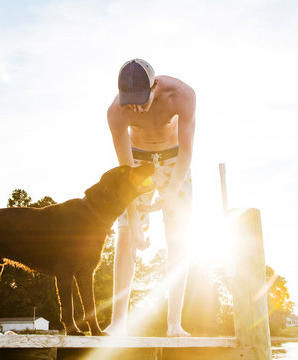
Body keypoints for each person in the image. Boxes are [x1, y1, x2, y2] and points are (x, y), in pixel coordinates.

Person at [105, 59, 196, 337]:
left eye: (141, 101)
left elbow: (187, 150)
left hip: (174, 160)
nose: (136, 109)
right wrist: (133, 219)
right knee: (125, 236)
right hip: (138, 161)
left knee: (178, 237)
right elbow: (126, 171)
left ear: (154, 86)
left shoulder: (182, 95)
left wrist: (172, 189)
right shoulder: (116, 112)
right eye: (130, 103)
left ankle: (174, 324)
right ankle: (118, 322)